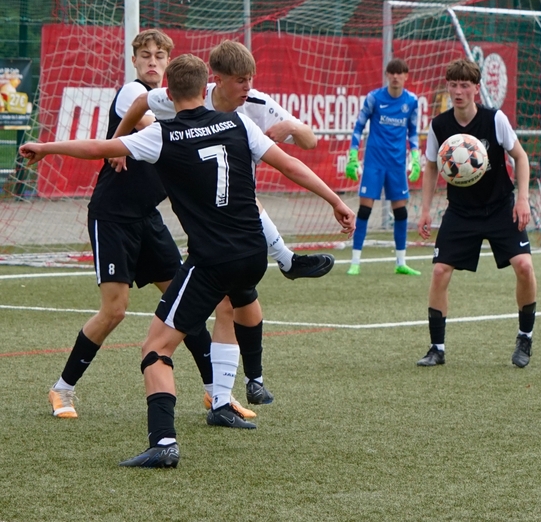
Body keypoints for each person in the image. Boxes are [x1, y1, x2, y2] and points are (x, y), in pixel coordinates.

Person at [20, 54, 355, 468]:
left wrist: (46, 147)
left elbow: (97, 148)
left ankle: (164, 442)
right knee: (232, 306)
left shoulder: (162, 135)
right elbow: (291, 164)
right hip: (254, 254)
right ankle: (230, 391)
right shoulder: (239, 123)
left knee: (155, 349)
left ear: (169, 95)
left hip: (211, 261)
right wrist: (336, 202)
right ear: (205, 88)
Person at [116, 40, 334, 409]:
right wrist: (119, 142)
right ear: (216, 81)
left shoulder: (257, 105)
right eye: (240, 80)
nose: (248, 87)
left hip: (238, 221)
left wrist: (291, 126)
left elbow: (308, 143)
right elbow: (140, 103)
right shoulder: (189, 96)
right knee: (230, 303)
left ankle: (240, 387)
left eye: (251, 79)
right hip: (212, 220)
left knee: (235, 303)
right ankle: (231, 392)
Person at [45, 29, 220, 420]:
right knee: (114, 311)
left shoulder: (179, 106)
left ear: (170, 62)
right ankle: (62, 389)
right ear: (135, 61)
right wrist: (123, 137)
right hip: (112, 216)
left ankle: (217, 395)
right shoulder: (134, 92)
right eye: (145, 55)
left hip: (147, 217)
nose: (152, 61)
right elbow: (151, 126)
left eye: (160, 55)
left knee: (185, 304)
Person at [415, 59, 537, 368]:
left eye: (465, 85)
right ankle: (437, 348)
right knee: (440, 271)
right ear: (448, 87)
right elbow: (431, 167)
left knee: (524, 266)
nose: (458, 92)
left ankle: (525, 337)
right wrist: (426, 209)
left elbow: (521, 157)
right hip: (461, 211)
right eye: (453, 85)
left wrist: (523, 199)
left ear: (476, 88)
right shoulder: (440, 125)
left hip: (500, 207)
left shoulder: (494, 119)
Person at [345, 58, 422, 276]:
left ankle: (401, 262)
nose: (396, 77)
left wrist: (415, 157)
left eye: (400, 73)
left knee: (401, 212)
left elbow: (413, 132)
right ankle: (355, 261)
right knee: (364, 210)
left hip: (397, 164)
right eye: (392, 72)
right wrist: (353, 154)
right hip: (374, 162)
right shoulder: (374, 98)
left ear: (406, 76)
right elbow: (359, 126)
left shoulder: (412, 101)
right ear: (387, 75)